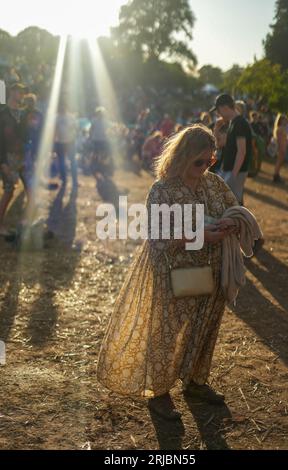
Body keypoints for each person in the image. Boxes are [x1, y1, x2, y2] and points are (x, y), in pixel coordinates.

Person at [97, 124, 245, 420]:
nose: (205, 167)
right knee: (166, 333)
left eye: (211, 161)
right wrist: (202, 235)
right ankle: (159, 393)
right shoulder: (162, 190)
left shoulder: (213, 183)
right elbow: (158, 238)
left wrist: (232, 223)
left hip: (213, 270)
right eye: (199, 161)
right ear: (182, 156)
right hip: (174, 272)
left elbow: (233, 208)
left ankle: (195, 382)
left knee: (204, 329)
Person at [211, 94, 252, 205]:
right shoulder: (233, 123)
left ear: (225, 108)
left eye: (219, 111)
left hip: (234, 170)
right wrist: (216, 129)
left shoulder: (239, 123)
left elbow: (242, 151)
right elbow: (218, 145)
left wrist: (234, 175)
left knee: (233, 204)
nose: (218, 114)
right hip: (228, 169)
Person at [0, 82, 28, 235]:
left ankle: (26, 226)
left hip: (21, 157)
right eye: (19, 91)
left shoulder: (23, 114)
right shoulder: (3, 114)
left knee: (30, 188)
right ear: (11, 92)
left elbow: (24, 137)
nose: (22, 95)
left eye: (23, 92)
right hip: (7, 157)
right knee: (9, 191)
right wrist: (2, 162)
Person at [54, 101, 78, 187]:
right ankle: (70, 180)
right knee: (69, 161)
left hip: (65, 142)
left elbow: (75, 128)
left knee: (65, 161)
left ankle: (68, 180)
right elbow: (75, 128)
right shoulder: (69, 117)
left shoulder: (58, 117)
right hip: (65, 142)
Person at [272, 114, 288, 184]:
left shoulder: (281, 128)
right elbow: (280, 140)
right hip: (281, 147)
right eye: (284, 119)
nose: (285, 121)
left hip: (282, 147)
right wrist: (282, 148)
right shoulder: (280, 128)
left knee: (280, 162)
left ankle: (277, 174)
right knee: (279, 162)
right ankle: (276, 175)